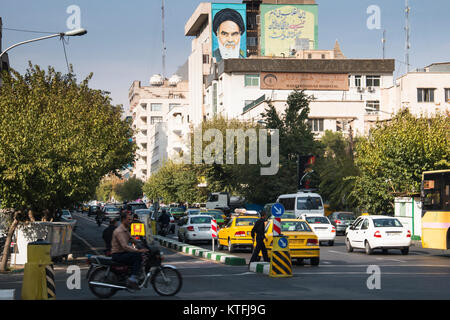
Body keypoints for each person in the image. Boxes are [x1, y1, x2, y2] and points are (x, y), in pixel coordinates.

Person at [111, 213, 149, 289]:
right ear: (123, 220)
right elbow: (125, 246)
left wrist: (144, 245)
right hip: (118, 254)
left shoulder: (125, 230)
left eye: (131, 219)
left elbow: (133, 240)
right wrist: (138, 251)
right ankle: (133, 278)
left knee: (139, 255)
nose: (130, 221)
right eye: (128, 220)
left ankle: (131, 274)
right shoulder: (120, 231)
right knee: (137, 256)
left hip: (122, 253)